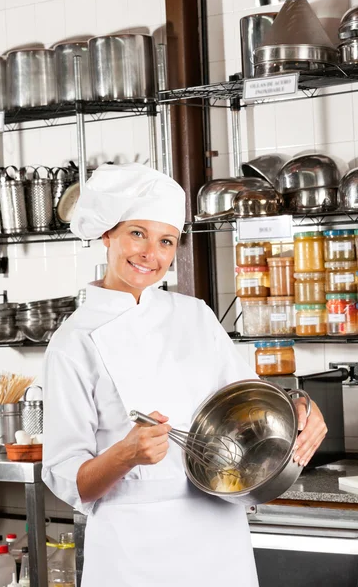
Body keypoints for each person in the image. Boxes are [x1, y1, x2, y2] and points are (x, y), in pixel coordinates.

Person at [42, 162, 327, 587]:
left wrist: (300, 405)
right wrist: (126, 454)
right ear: (107, 234)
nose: (150, 254)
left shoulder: (195, 316)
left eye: (166, 241)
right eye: (136, 233)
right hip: (131, 548)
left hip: (218, 535)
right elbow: (68, 479)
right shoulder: (73, 341)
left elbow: (248, 404)